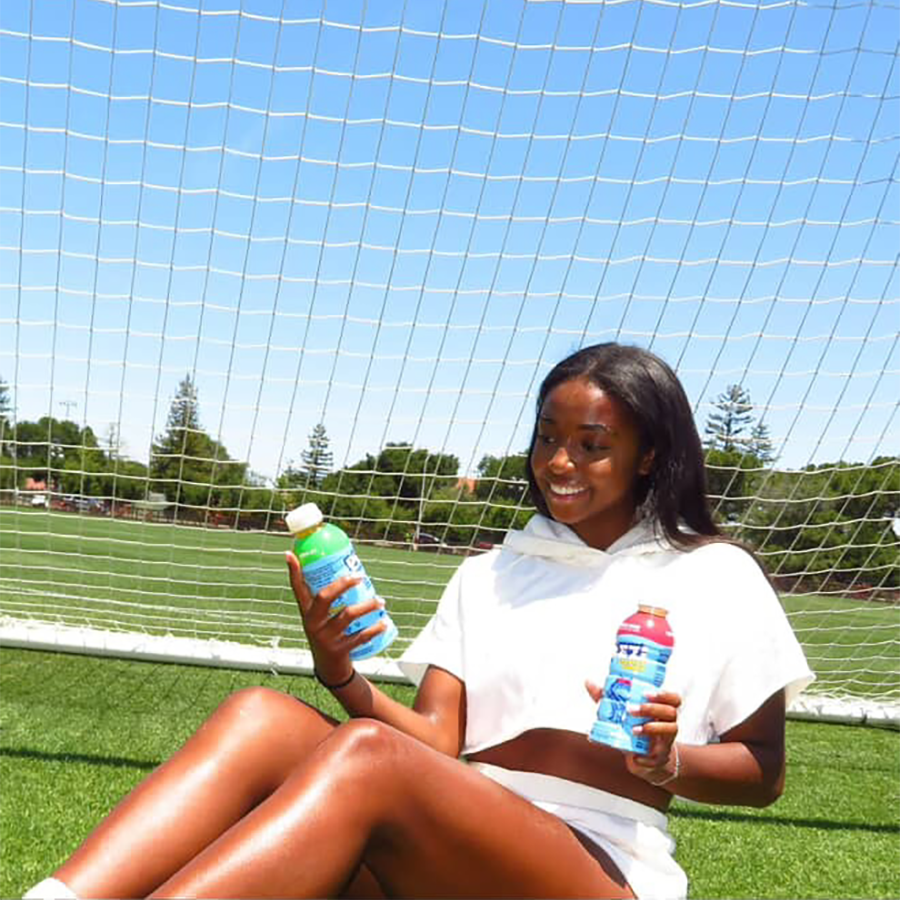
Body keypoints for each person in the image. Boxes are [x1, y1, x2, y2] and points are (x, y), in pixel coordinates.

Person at [25, 343, 813, 900]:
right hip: (447, 849)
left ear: (649, 455)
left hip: (599, 866)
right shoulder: (492, 573)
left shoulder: (714, 573)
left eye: (591, 444)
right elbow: (436, 743)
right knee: (262, 714)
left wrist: (669, 763)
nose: (559, 462)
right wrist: (340, 671)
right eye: (547, 437)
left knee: (370, 758)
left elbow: (764, 770)